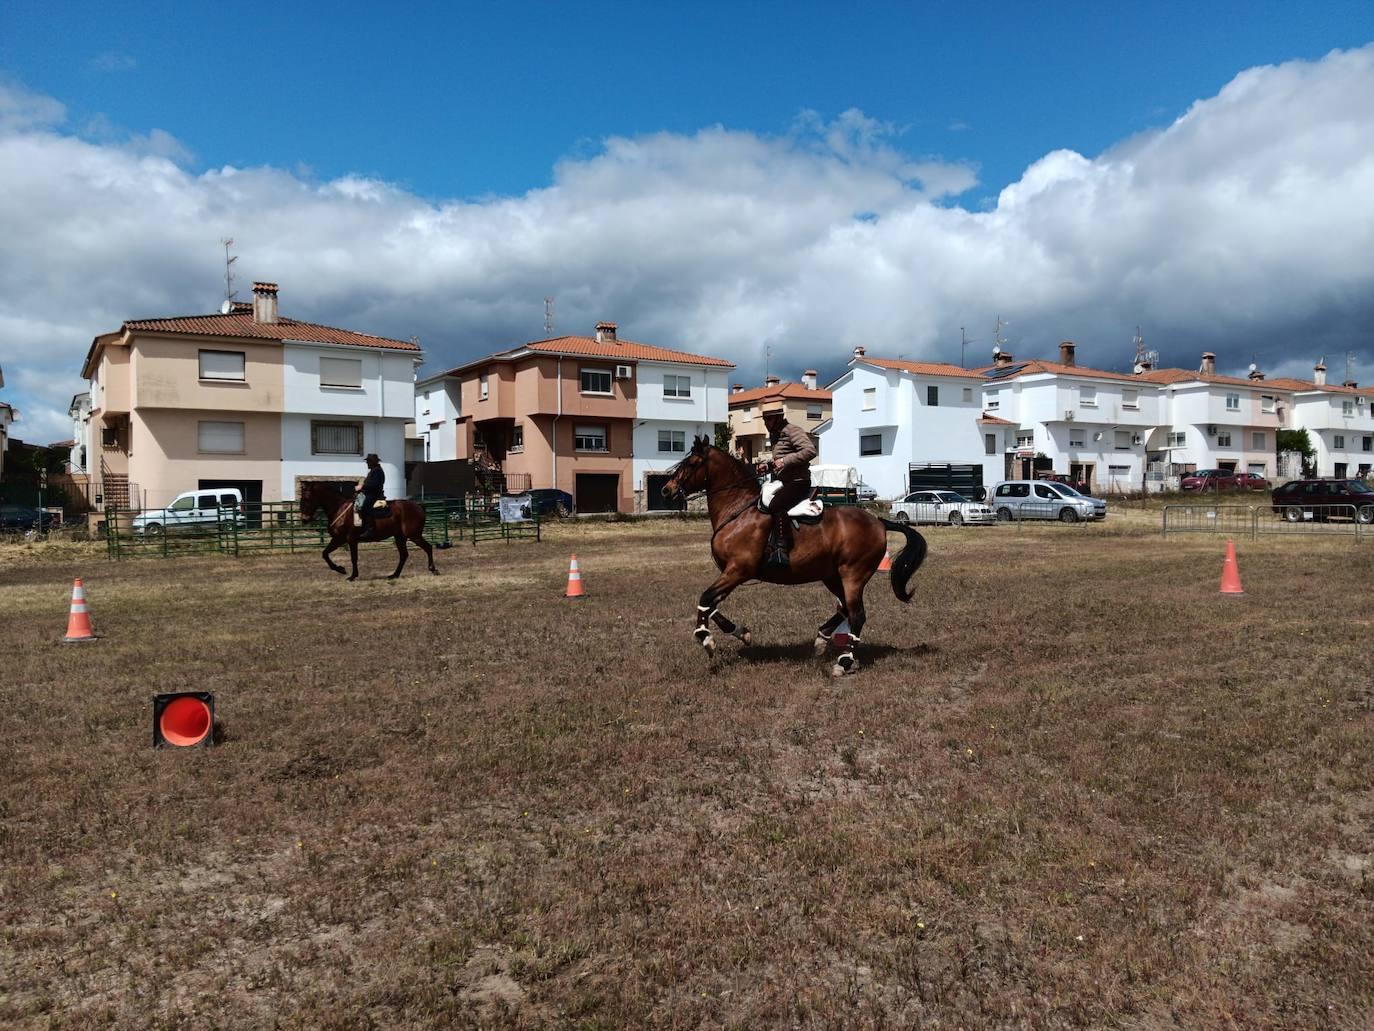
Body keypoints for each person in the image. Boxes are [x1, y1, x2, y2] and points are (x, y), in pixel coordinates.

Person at [757, 400, 817, 566]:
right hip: (783, 481)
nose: (765, 423)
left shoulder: (792, 431)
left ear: (778, 417)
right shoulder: (776, 435)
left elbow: (810, 451)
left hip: (798, 482)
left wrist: (784, 460)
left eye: (768, 419)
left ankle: (781, 548)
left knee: (776, 505)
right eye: (764, 419)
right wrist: (768, 465)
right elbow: (779, 460)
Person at [355, 453, 385, 538]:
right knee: (357, 504)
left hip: (374, 495)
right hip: (369, 494)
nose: (367, 463)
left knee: (364, 506)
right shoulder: (373, 470)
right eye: (367, 461)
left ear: (373, 462)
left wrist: (362, 486)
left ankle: (370, 529)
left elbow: (374, 485)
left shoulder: (377, 471)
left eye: (368, 461)